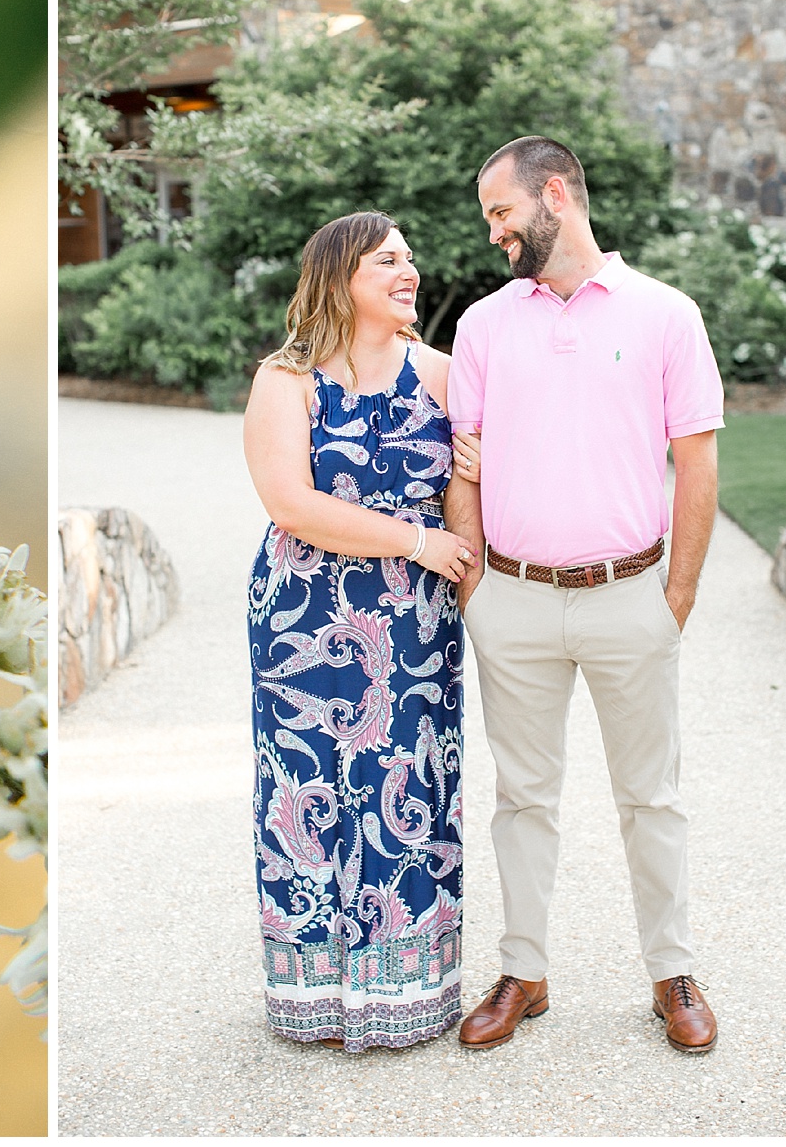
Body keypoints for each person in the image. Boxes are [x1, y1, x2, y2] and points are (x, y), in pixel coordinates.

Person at [442, 135, 723, 1055]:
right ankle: (525, 971)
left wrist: (674, 593)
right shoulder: (484, 325)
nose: (494, 233)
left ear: (553, 194)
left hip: (629, 593)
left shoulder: (666, 314)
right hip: (512, 601)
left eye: (501, 213)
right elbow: (465, 462)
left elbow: (698, 459)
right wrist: (478, 584)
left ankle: (671, 973)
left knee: (652, 797)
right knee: (522, 798)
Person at [243, 211, 483, 1051]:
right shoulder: (287, 379)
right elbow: (292, 505)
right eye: (388, 260)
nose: (408, 271)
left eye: (411, 258)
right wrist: (419, 542)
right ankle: (314, 989)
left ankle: (409, 987)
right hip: (303, 617)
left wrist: (464, 546)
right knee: (308, 793)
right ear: (342, 275)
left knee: (409, 787)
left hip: (415, 625)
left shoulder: (448, 375)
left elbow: (466, 505)